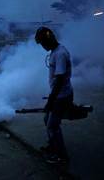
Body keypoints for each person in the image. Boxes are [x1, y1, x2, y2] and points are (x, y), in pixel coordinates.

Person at [35, 26, 72, 163]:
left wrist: (50, 101)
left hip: (61, 96)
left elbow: (60, 80)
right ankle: (53, 146)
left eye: (43, 43)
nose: (42, 46)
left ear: (49, 39)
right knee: (47, 120)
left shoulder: (60, 54)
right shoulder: (55, 51)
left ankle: (62, 156)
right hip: (58, 95)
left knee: (52, 126)